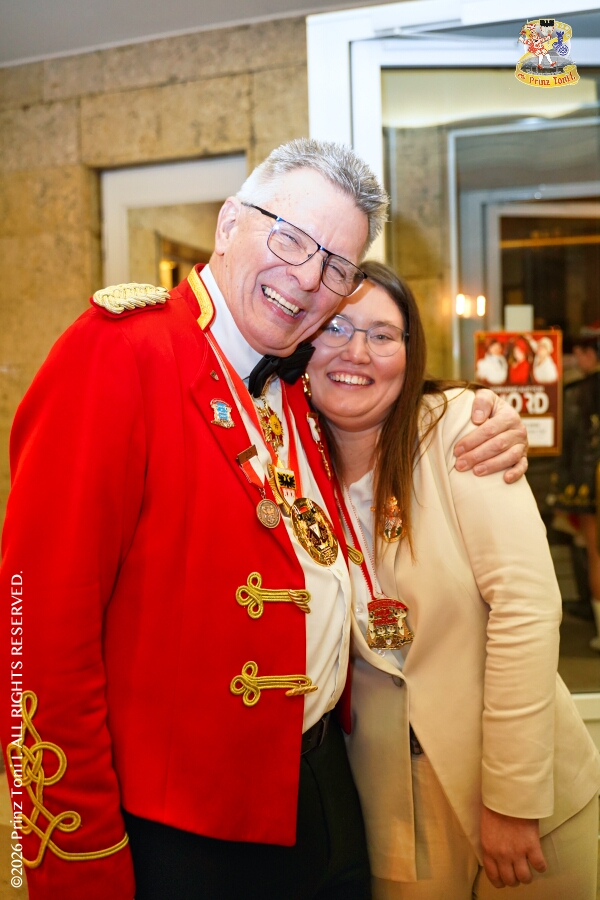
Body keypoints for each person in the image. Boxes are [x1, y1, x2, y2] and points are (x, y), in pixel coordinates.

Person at [0, 140, 528, 900]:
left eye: (337, 266)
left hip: (323, 788)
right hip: (182, 824)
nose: (309, 279)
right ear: (228, 224)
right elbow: (36, 631)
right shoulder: (119, 353)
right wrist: (76, 857)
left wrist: (481, 413)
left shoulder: (299, 380)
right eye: (289, 238)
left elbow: (386, 405)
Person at [305, 260, 600, 900]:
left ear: (410, 353)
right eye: (336, 328)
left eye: (383, 334)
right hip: (390, 803)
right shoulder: (286, 462)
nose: (357, 352)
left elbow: (525, 604)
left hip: (523, 786)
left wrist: (513, 797)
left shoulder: (459, 429)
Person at [549, 329, 600, 648]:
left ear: (590, 355)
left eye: (580, 354)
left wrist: (564, 487)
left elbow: (570, 442)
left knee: (596, 553)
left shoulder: (579, 392)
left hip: (592, 483)